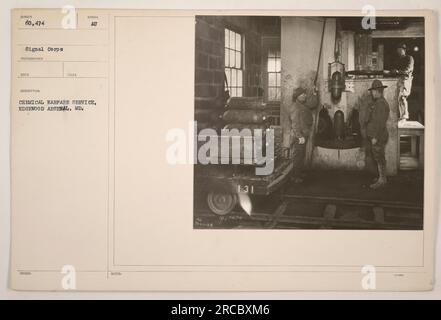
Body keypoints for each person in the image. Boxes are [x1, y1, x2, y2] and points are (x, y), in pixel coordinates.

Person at [289, 86, 318, 183]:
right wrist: (299, 136)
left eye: (305, 94)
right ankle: (295, 177)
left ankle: (299, 173)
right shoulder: (295, 106)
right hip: (299, 135)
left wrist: (315, 93)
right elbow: (295, 123)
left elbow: (313, 103)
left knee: (301, 155)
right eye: (303, 94)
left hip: (304, 133)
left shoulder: (303, 104)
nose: (305, 95)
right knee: (298, 156)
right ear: (297, 96)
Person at [365, 80, 390, 189]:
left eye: (373, 91)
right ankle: (381, 177)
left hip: (378, 136)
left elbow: (379, 123)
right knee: (378, 156)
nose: (372, 93)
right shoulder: (379, 102)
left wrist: (375, 136)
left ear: (378, 91)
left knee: (379, 157)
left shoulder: (380, 104)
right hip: (378, 135)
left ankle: (382, 180)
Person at [392, 43, 414, 124]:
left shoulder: (409, 58)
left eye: (400, 49)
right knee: (398, 98)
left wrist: (398, 71)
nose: (398, 51)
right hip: (399, 80)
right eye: (397, 49)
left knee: (402, 96)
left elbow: (408, 70)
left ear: (404, 50)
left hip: (405, 80)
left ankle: (404, 116)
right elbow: (395, 71)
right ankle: (401, 116)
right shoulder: (397, 60)